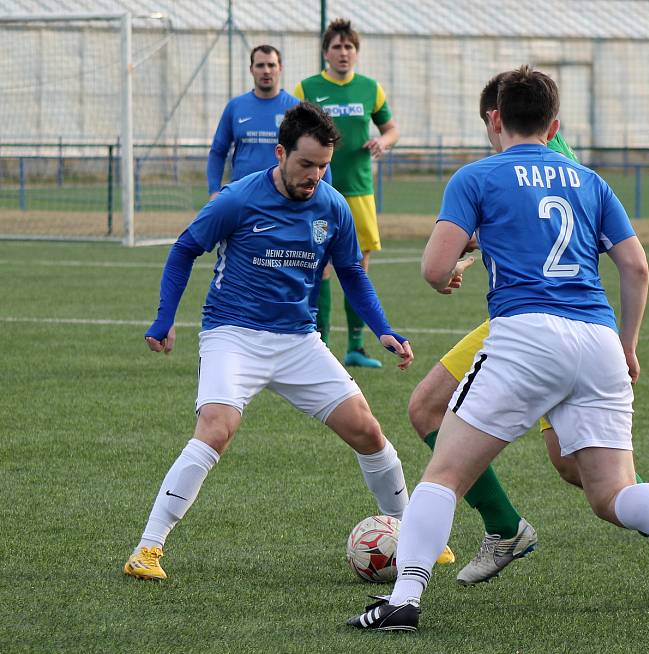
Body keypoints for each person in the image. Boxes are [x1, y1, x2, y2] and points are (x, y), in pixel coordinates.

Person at [348, 67, 649, 631]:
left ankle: (402, 600)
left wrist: (449, 271)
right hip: (598, 340)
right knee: (610, 494)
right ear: (554, 125)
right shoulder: (589, 180)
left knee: (445, 475)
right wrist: (628, 346)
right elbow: (636, 266)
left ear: (496, 118)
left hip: (527, 336)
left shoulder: (477, 177)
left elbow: (433, 268)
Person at [124, 103, 414, 581]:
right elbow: (183, 250)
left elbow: (351, 274)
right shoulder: (237, 199)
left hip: (298, 340)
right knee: (216, 427)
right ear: (281, 153)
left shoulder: (333, 205)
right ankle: (147, 549)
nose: (315, 175)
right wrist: (164, 319)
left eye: (323, 166)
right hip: (232, 334)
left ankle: (413, 535)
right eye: (306, 164)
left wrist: (383, 327)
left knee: (367, 431)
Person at [295, 18, 400, 368]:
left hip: (359, 192)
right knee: (320, 266)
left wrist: (382, 142)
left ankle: (356, 347)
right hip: (319, 192)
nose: (343, 53)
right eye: (337, 47)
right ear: (326, 52)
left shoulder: (370, 88)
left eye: (349, 47)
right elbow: (291, 134)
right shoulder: (306, 88)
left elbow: (391, 128)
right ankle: (319, 343)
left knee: (357, 267)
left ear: (356, 53)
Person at [206, 45, 331, 199]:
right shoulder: (235, 107)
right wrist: (213, 190)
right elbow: (218, 152)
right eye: (260, 65)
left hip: (284, 197)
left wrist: (325, 196)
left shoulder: (298, 108)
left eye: (271, 65)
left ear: (280, 68)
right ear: (251, 69)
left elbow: (319, 154)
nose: (266, 70)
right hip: (242, 196)